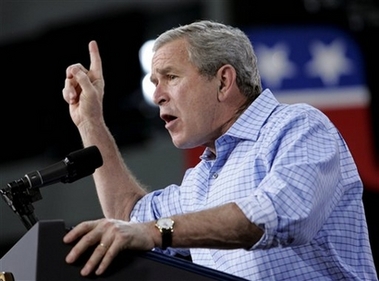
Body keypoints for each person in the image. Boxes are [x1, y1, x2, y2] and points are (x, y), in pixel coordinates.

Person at [61, 20, 378, 280]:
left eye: (170, 77)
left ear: (224, 81)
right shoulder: (200, 179)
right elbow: (129, 216)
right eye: (154, 81)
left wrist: (157, 231)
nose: (157, 95)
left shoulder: (297, 126)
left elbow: (275, 214)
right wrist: (90, 121)